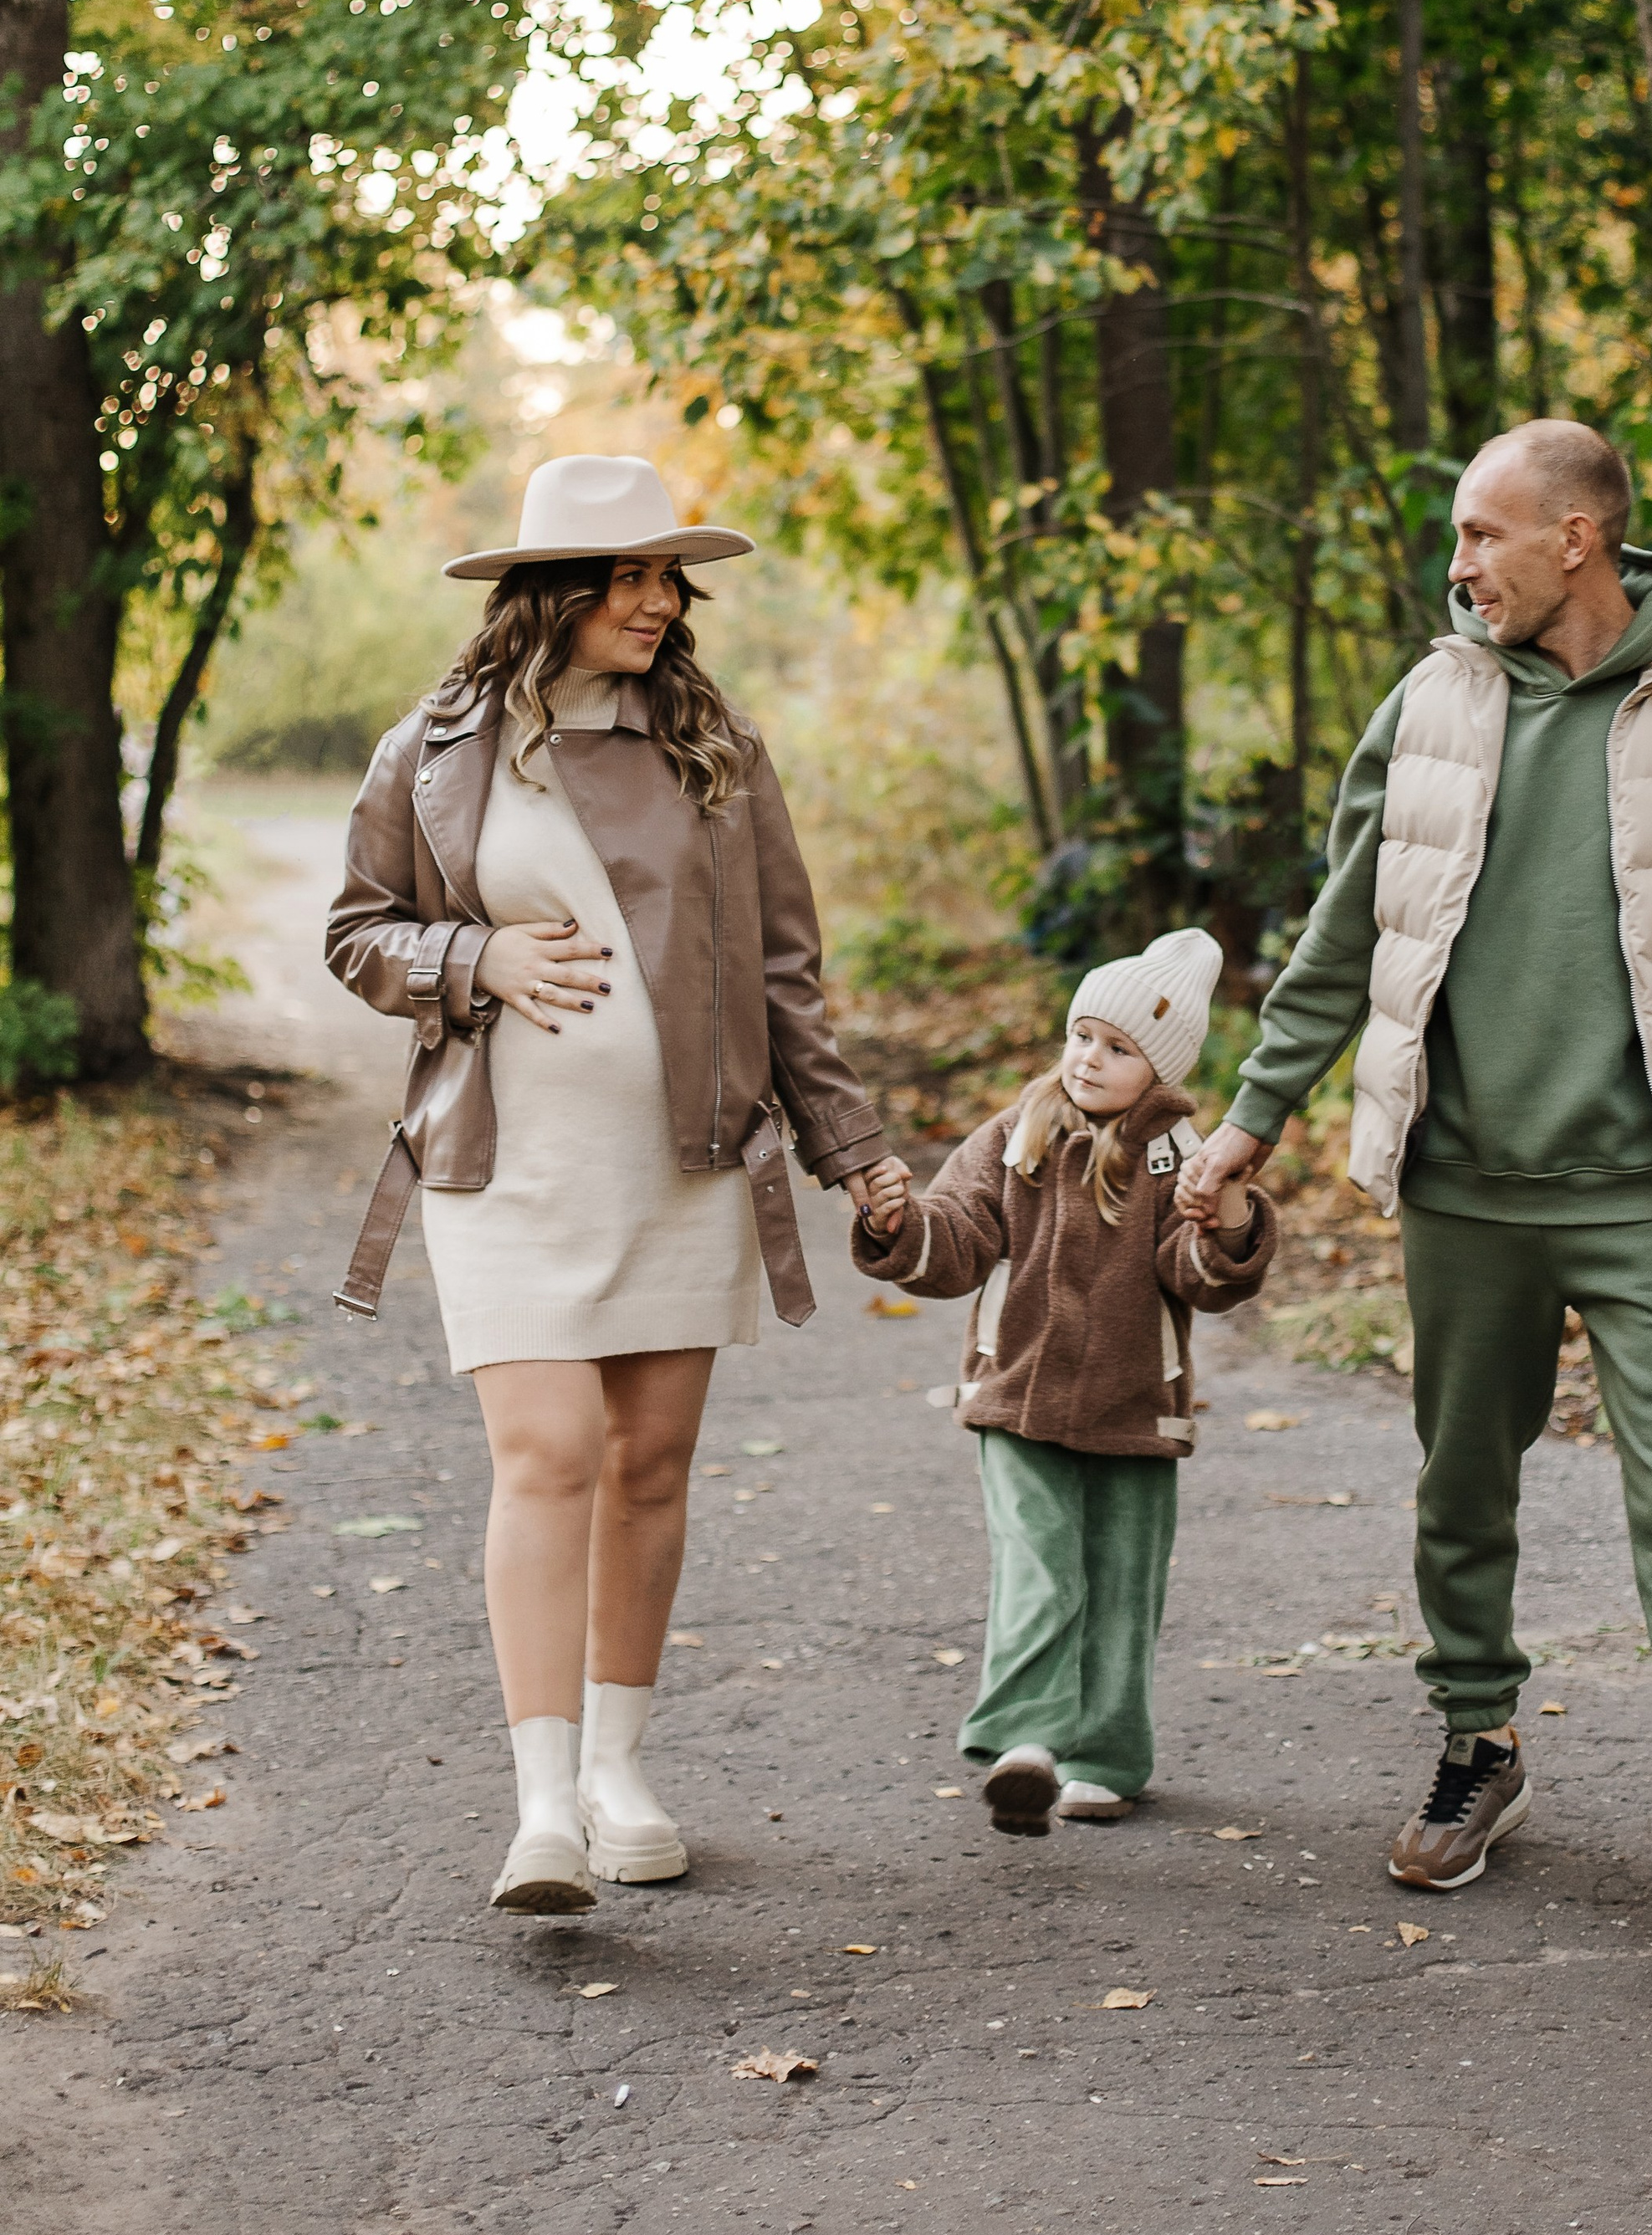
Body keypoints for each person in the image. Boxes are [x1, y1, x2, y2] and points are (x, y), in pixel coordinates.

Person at [1178, 421, 1652, 2007]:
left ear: (1581, 539)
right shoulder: (1433, 702)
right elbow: (1346, 931)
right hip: (1463, 1186)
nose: (1459, 564)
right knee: (1458, 1491)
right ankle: (1478, 1743)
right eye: (1460, 538)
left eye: (1485, 535)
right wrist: (1252, 1117)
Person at [325, 453, 908, 1915]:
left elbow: (786, 974)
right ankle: (538, 1809)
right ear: (550, 592)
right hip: (504, 1167)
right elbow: (360, 934)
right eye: (628, 577)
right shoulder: (436, 748)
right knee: (550, 1452)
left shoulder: (716, 745)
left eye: (668, 578)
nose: (658, 601)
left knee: (649, 1467)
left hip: (683, 1162)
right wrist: (478, 958)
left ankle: (619, 1770)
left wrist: (855, 1152)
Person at [853, 929, 1277, 1832]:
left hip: (1135, 1407)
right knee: (1039, 1568)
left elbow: (1199, 1277)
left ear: (1157, 1072)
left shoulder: (1178, 1158)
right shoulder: (1016, 1138)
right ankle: (1026, 1743)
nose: (1090, 1058)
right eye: (1083, 1035)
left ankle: (1109, 1757)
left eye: (1118, 1048)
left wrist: (1229, 1215)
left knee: (1123, 1583)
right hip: (1016, 1396)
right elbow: (958, 1237)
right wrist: (899, 1226)